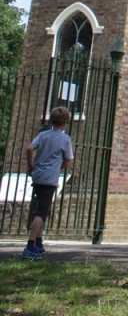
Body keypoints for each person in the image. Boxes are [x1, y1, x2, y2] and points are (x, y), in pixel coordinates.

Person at [23, 106, 74, 259]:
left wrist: (31, 165)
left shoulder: (43, 135)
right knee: (41, 212)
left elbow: (29, 148)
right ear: (65, 122)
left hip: (37, 175)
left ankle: (38, 242)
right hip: (49, 179)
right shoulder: (65, 139)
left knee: (40, 208)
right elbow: (68, 159)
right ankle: (30, 246)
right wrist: (59, 168)